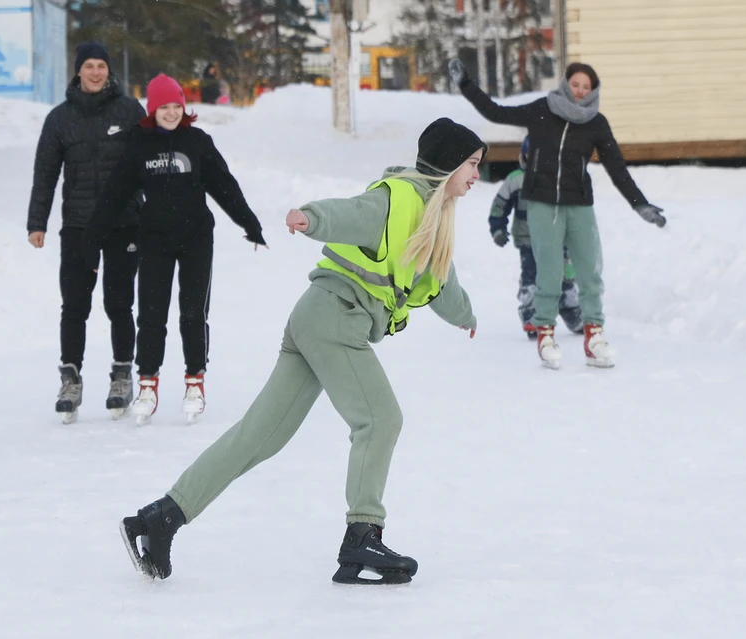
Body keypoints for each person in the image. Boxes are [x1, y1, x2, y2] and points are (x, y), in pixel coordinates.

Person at [118, 117, 483, 585]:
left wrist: (466, 316)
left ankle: (160, 519)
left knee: (259, 436)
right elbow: (353, 212)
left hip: (316, 319)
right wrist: (311, 217)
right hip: (334, 318)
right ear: (448, 164)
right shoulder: (399, 198)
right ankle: (361, 537)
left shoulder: (433, 220)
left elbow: (442, 283)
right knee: (380, 418)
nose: (476, 174)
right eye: (471, 164)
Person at [450, 58, 666, 369]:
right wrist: (465, 85)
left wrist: (639, 204)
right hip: (542, 203)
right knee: (548, 272)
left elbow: (616, 167)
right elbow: (495, 112)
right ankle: (546, 335)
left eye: (586, 87)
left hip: (579, 204)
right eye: (575, 84)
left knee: (589, 270)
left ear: (593, 91)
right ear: (566, 84)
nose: (579, 91)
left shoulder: (596, 123)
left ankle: (594, 336)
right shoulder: (543, 109)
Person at [83, 74, 266, 425]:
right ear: (152, 109)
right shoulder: (139, 145)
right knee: (151, 314)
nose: (170, 113)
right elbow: (114, 195)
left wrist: (249, 223)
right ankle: (148, 385)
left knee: (193, 311)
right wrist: (92, 238)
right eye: (163, 107)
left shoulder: (197, 142)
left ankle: (194, 381)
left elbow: (224, 186)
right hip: (154, 238)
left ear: (184, 108)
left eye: (176, 106)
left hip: (196, 237)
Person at [26, 41, 146, 423]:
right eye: (89, 66)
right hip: (78, 225)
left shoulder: (129, 111)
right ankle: (70, 379)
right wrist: (37, 222)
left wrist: (154, 210)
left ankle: (122, 375)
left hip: (123, 223)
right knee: (75, 304)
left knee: (119, 303)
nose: (96, 72)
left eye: (101, 66)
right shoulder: (59, 119)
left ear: (109, 72)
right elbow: (45, 174)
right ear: (78, 71)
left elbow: (150, 163)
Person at [490, 136, 583, 339]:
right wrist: (498, 228)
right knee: (532, 277)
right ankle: (532, 313)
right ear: (524, 156)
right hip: (528, 239)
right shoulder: (516, 179)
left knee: (566, 275)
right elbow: (500, 206)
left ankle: (571, 310)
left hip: (558, 238)